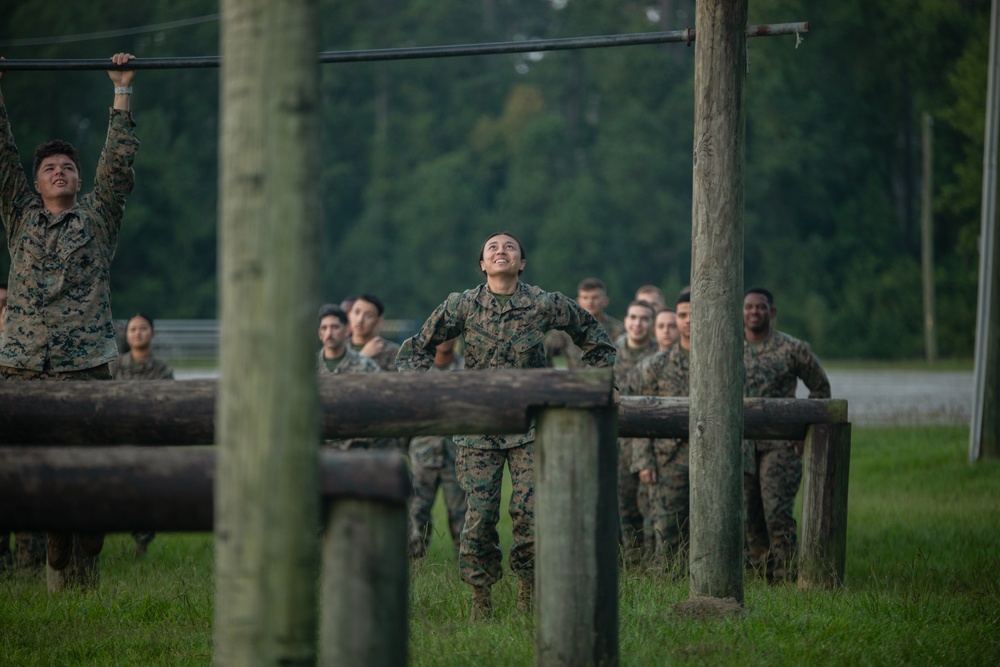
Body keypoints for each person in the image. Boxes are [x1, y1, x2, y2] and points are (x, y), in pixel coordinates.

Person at [396, 232, 617, 620]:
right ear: (482, 264)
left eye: (510, 247)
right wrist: (417, 389)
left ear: (522, 262)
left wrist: (601, 381)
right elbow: (418, 347)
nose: (501, 251)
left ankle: (527, 597)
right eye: (492, 248)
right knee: (478, 520)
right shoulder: (462, 304)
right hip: (477, 429)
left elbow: (593, 335)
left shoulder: (543, 303)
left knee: (530, 517)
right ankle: (481, 603)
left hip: (531, 428)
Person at [0, 52, 140, 592]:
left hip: (83, 366)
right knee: (32, 468)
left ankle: (85, 536)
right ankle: (55, 540)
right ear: (35, 184)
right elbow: (2, 153)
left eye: (68, 168)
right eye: (50, 169)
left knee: (87, 468)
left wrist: (121, 89)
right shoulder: (19, 215)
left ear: (79, 181)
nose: (60, 172)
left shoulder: (98, 217)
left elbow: (118, 165)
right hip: (23, 365)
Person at [742, 287, 831, 583]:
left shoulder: (792, 349)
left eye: (761, 307)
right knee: (748, 516)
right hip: (741, 446)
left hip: (780, 445)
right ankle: (757, 575)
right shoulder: (729, 346)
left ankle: (785, 576)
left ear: (772, 312)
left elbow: (820, 388)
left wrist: (801, 428)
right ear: (742, 312)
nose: (755, 312)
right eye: (749, 307)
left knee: (776, 512)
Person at [626, 290, 691, 571]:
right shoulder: (652, 367)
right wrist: (643, 461)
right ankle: (668, 587)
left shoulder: (721, 363)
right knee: (666, 530)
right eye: (683, 315)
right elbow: (637, 418)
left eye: (693, 315)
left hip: (712, 457)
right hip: (666, 460)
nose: (688, 321)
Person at [111, 313, 174, 558]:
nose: (138, 333)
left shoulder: (162, 369)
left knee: (148, 494)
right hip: (119, 441)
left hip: (150, 442)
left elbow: (167, 405)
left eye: (143, 328)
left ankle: (141, 544)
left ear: (153, 333)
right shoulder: (115, 366)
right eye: (133, 329)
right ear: (126, 335)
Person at [407, 337, 467, 559]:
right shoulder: (418, 371)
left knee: (462, 515)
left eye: (449, 334)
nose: (444, 339)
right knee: (416, 513)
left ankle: (466, 568)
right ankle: (415, 570)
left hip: (458, 454)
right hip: (423, 454)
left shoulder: (466, 369)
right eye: (439, 334)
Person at [613, 300, 659, 562]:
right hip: (618, 441)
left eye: (644, 319)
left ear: (651, 324)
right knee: (624, 505)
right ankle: (631, 561)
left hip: (650, 440)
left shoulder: (659, 354)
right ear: (626, 320)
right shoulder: (610, 352)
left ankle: (655, 560)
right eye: (633, 317)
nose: (638, 323)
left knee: (650, 504)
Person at [316, 303, 388, 450]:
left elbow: (384, 397)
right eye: (324, 328)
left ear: (347, 330)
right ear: (319, 333)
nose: (329, 333)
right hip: (320, 445)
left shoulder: (364, 365)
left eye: (335, 327)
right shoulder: (308, 367)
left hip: (355, 447)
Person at [544, 277, 624, 369]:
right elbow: (544, 354)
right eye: (585, 298)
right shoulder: (566, 331)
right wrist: (552, 379)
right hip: (575, 381)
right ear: (578, 301)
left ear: (605, 301)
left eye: (595, 298)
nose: (590, 302)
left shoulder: (619, 330)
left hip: (606, 381)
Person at [348, 294, 400, 372]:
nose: (360, 320)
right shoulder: (339, 348)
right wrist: (363, 357)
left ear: (379, 321)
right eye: (356, 312)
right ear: (349, 315)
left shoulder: (392, 352)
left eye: (368, 316)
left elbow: (395, 382)